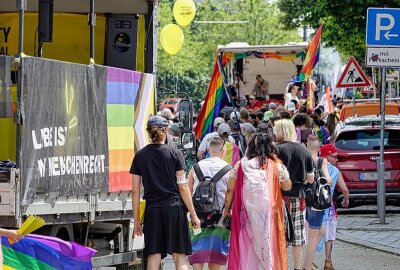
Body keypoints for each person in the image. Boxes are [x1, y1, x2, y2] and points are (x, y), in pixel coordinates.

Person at [130, 115, 201, 270]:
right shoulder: (175, 153)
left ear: (148, 132)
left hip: (153, 211)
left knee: (153, 255)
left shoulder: (140, 156)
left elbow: (135, 191)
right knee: (179, 256)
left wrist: (136, 221)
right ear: (165, 131)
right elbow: (182, 186)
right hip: (174, 208)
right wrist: (193, 214)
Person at [224, 133, 292, 270]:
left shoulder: (240, 165)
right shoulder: (276, 166)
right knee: (267, 243)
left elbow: (230, 189)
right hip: (269, 213)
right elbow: (287, 186)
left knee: (247, 244)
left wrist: (227, 210)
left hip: (245, 213)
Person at [274, 119, 315, 270]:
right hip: (299, 196)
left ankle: (280, 266)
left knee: (279, 234)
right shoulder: (304, 150)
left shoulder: (275, 150)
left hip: (278, 196)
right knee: (298, 235)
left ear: (280, 131)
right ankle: (297, 267)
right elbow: (310, 178)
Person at [188, 137, 231, 270]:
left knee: (197, 254)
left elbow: (188, 192)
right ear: (223, 151)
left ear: (208, 150)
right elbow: (230, 193)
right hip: (220, 218)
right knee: (216, 256)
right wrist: (228, 211)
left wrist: (191, 214)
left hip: (197, 218)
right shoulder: (228, 169)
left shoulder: (195, 167)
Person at [317, 144, 350, 270]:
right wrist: (346, 200)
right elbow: (345, 190)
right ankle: (328, 261)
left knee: (313, 233)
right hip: (329, 207)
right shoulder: (335, 171)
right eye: (335, 157)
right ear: (327, 156)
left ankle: (310, 261)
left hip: (313, 205)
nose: (337, 160)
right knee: (329, 235)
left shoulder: (314, 166)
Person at [303, 135, 332, 270]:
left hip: (305, 198)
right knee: (314, 235)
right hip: (317, 202)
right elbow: (329, 180)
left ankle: (308, 262)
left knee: (321, 229)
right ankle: (307, 266)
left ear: (307, 147)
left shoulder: (303, 159)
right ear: (319, 148)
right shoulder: (322, 161)